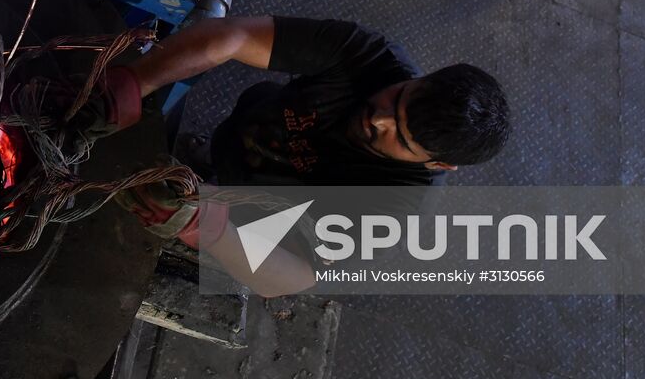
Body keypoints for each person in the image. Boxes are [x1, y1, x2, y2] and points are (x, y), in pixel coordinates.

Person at [51, 15, 510, 294]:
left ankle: (205, 206)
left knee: (230, 236)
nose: (380, 119)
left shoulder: (391, 212)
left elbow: (293, 278)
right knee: (241, 122)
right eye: (399, 98)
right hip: (247, 136)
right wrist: (135, 82)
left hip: (266, 222)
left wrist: (204, 227)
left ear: (438, 164)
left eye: (401, 137)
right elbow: (230, 36)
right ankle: (205, 167)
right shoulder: (368, 56)